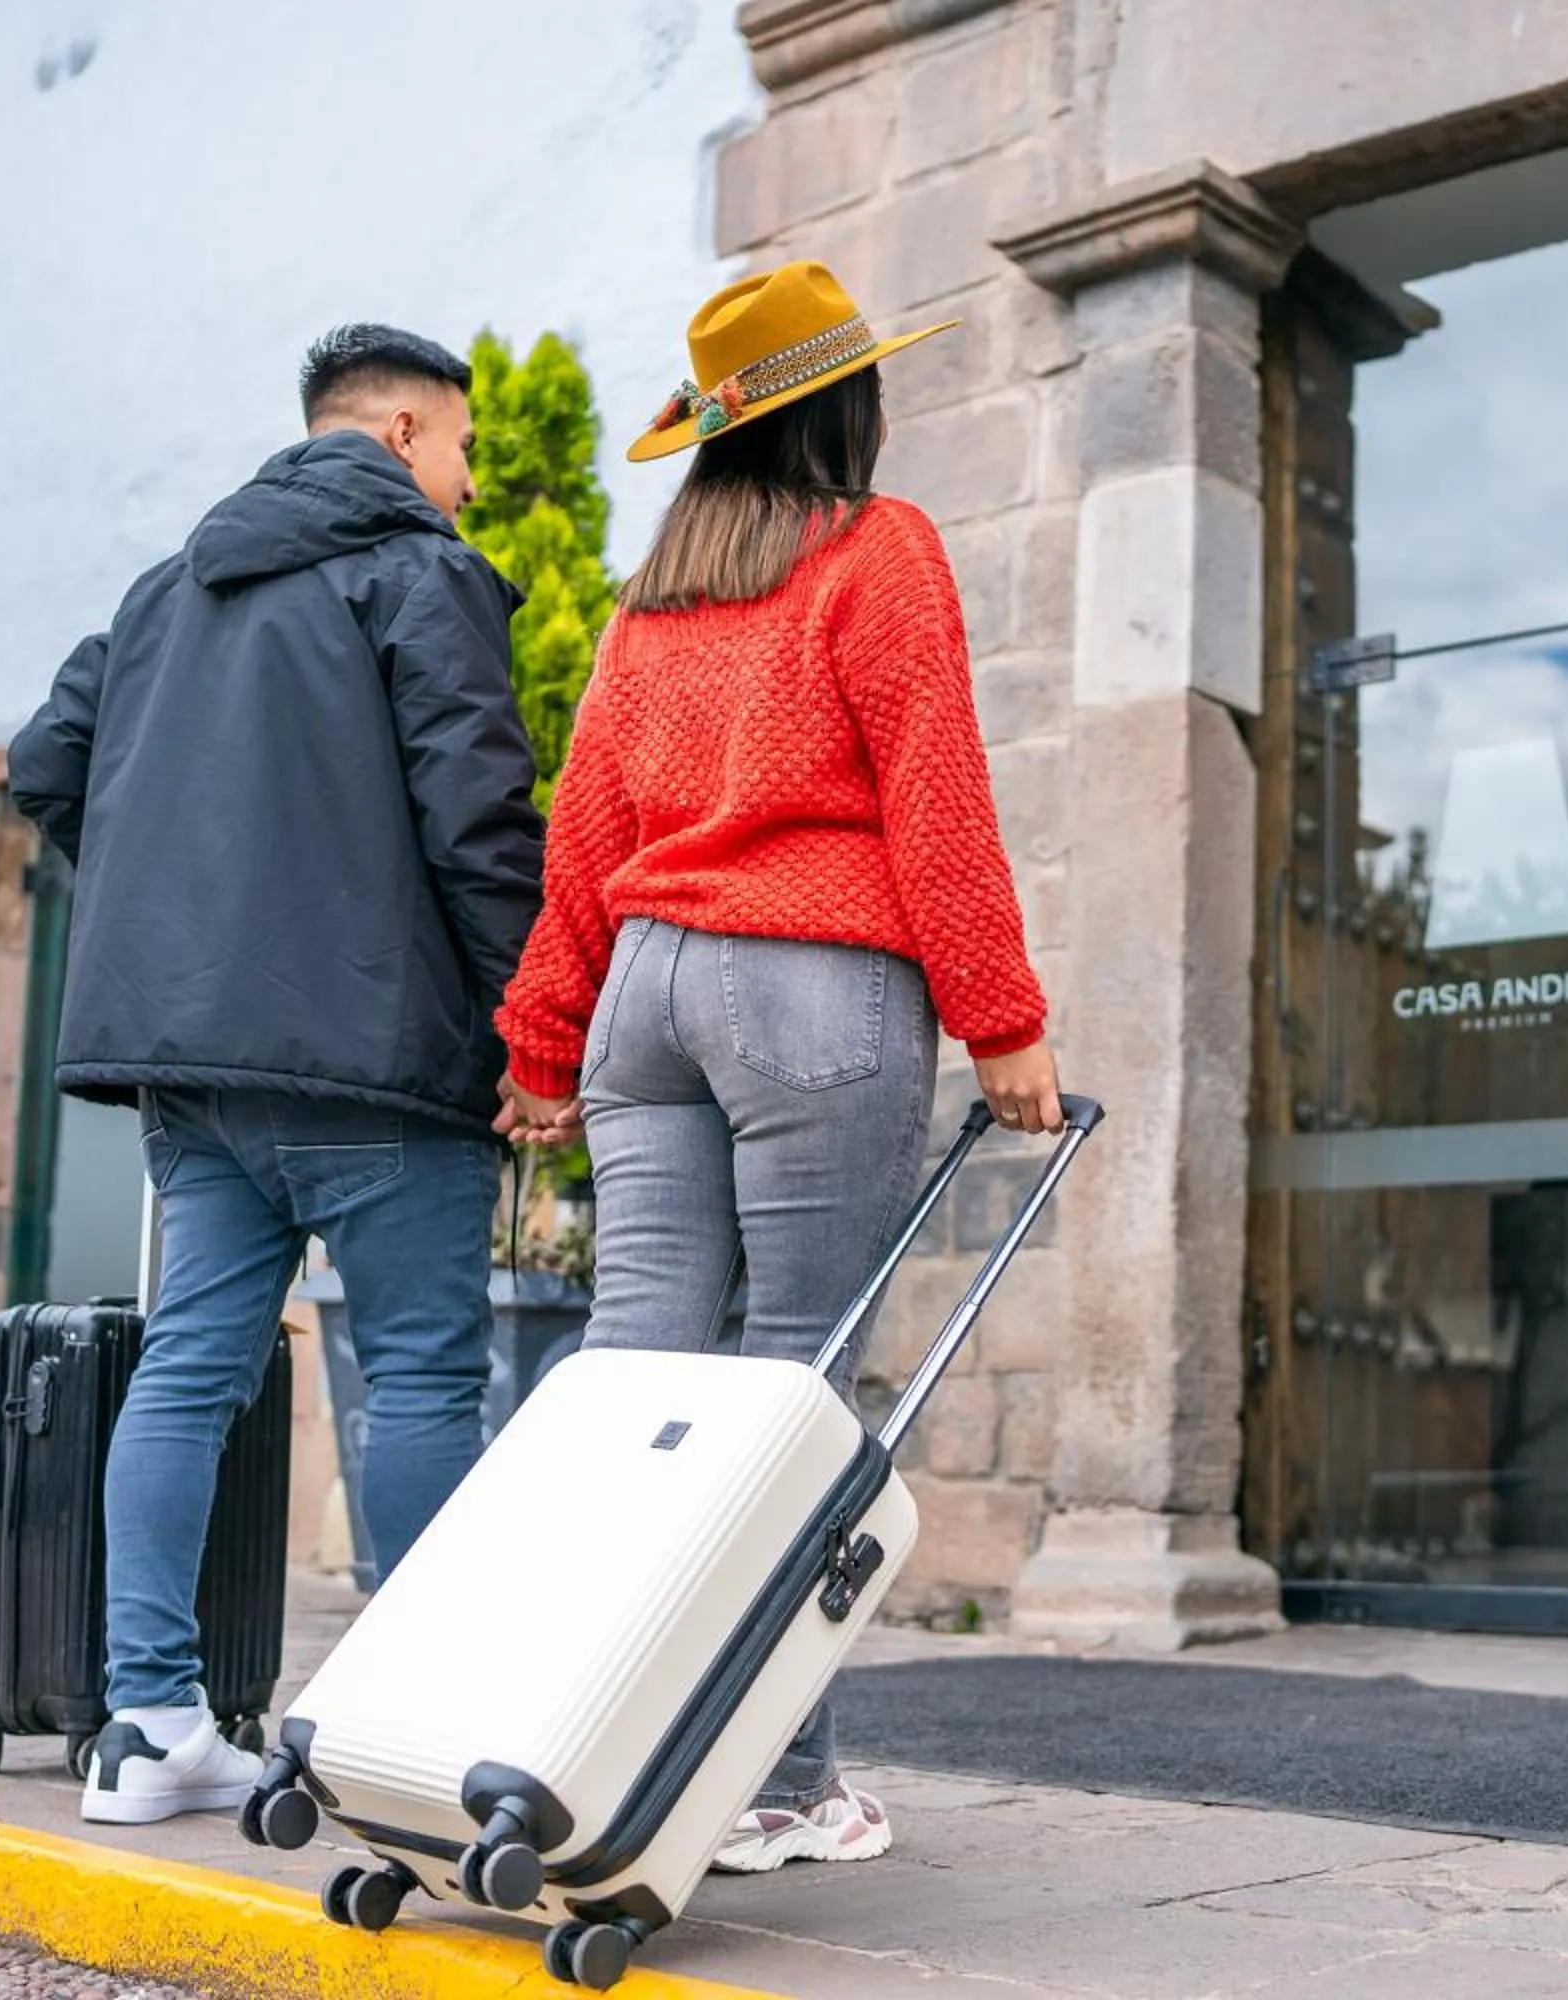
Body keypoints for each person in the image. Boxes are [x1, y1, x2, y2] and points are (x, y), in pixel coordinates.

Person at [494, 260, 1060, 1872]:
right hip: (813, 989)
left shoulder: (652, 600)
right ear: (847, 407)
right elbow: (935, 798)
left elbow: (584, 830)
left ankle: (575, 1740)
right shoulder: (879, 550)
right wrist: (1003, 1020)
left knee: (635, 1387)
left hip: (647, 997)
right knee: (796, 1395)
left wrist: (543, 1040)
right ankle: (776, 1782)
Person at [8, 325, 543, 1823]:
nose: (468, 480)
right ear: (400, 432)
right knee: (421, 1375)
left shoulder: (163, 593)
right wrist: (533, 1027)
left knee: (187, 1370)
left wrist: (174, 907)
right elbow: (478, 821)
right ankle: (422, 1730)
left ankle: (150, 1727)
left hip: (198, 1073)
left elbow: (44, 765)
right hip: (380, 1063)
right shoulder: (422, 575)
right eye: (463, 447)